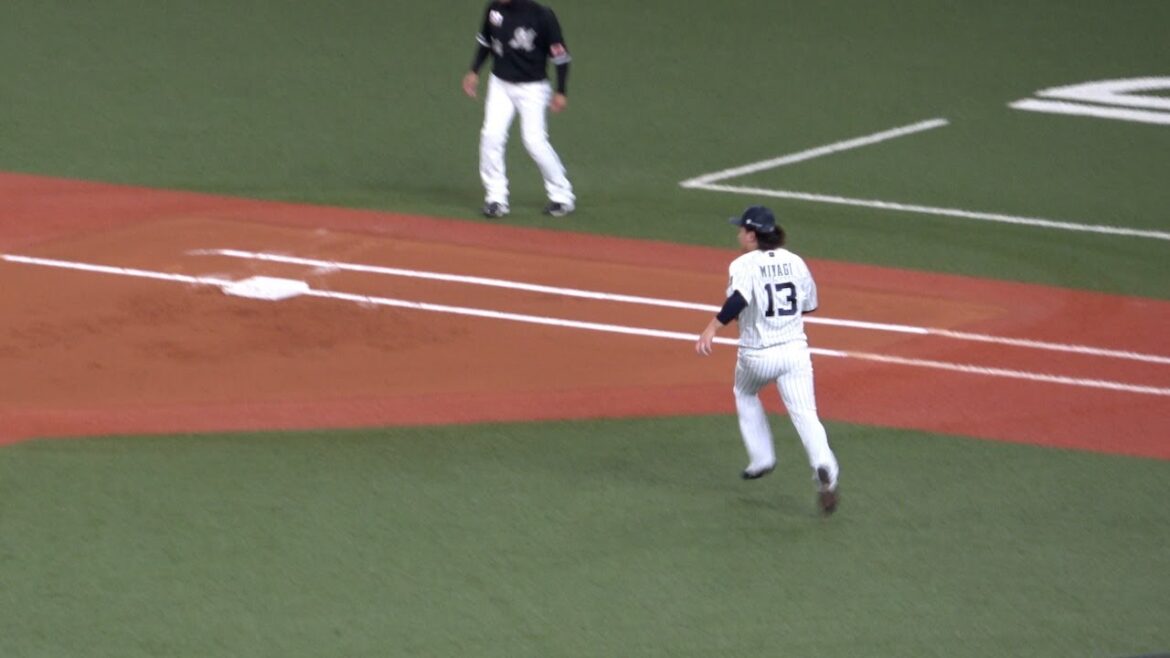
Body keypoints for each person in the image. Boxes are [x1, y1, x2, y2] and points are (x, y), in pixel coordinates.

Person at [695, 205, 840, 514]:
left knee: (745, 392)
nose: (738, 234)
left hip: (757, 355)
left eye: (741, 229)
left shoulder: (743, 264)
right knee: (806, 415)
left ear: (752, 235)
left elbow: (738, 299)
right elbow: (809, 305)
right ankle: (824, 469)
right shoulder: (795, 261)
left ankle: (762, 458)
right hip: (795, 352)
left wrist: (712, 327)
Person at [462, 0, 575, 219]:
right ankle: (496, 198)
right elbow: (486, 41)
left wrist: (561, 91)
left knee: (534, 142)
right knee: (491, 136)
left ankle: (563, 196)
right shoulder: (494, 9)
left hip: (533, 88)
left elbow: (561, 56)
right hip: (500, 85)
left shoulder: (542, 16)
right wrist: (474, 71)